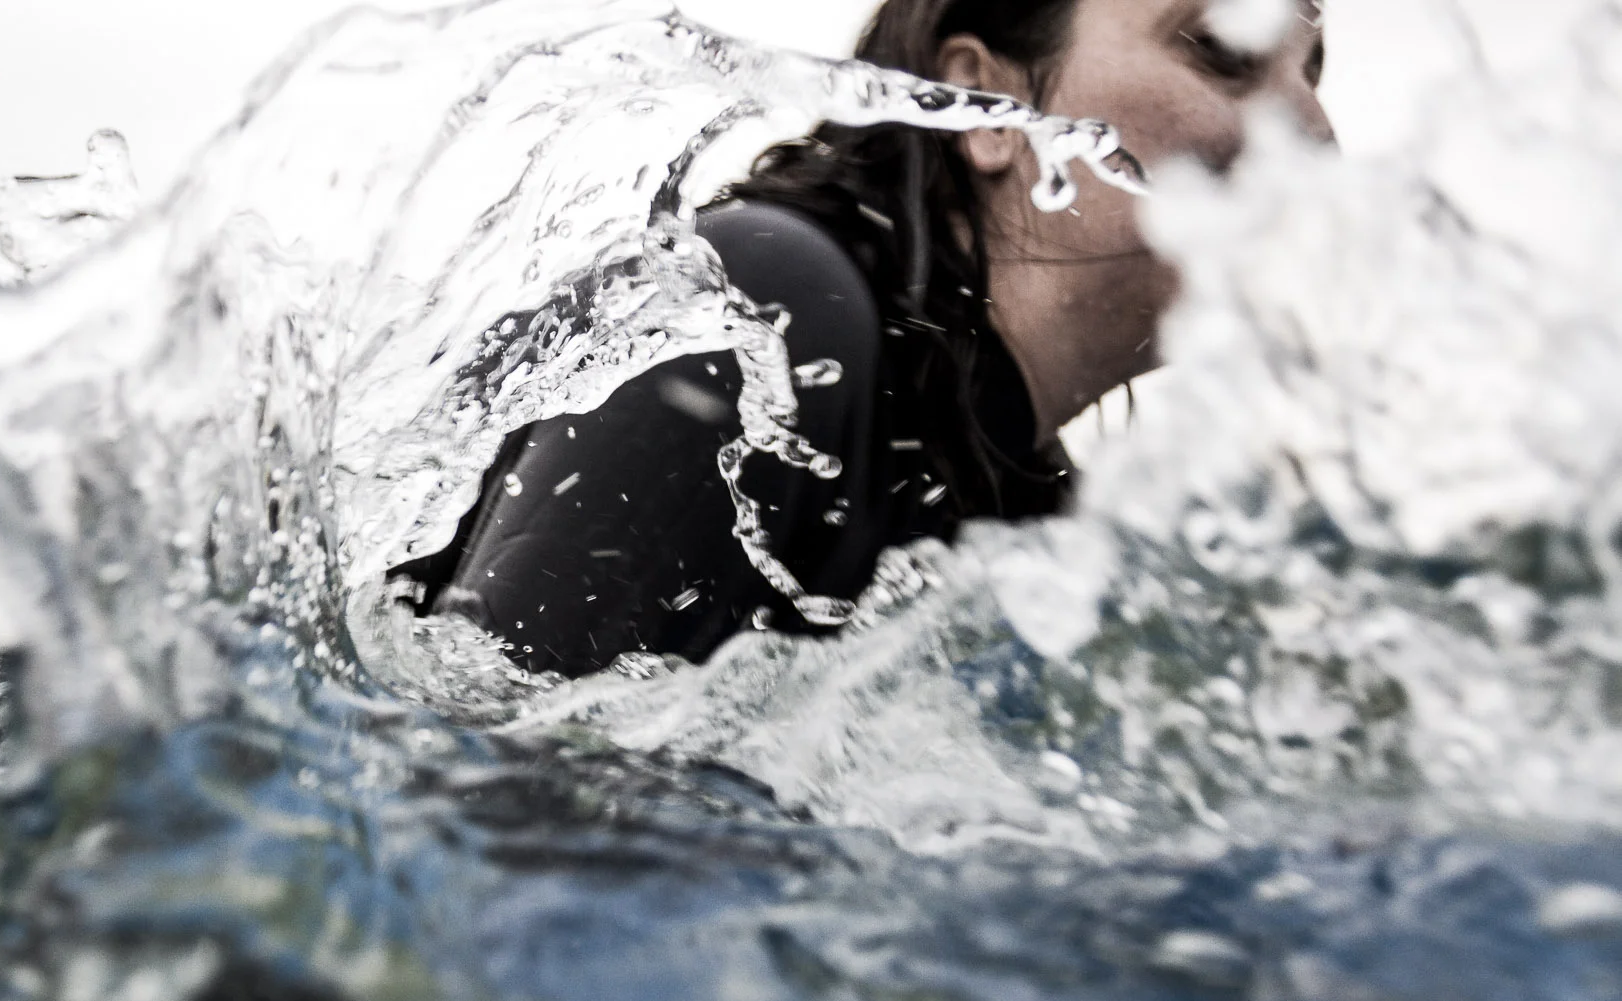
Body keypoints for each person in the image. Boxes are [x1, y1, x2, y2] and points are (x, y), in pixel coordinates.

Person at [399, 0, 1332, 676]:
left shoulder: (1033, 517)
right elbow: (494, 782)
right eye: (1220, 48)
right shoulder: (766, 303)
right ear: (989, 103)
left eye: (1313, 72)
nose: (1318, 134)